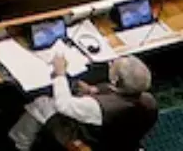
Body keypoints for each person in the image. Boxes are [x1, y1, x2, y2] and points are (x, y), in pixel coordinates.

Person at [10, 54, 156, 151]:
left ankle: (19, 144)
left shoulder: (97, 108)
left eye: (113, 64)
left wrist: (60, 73)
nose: (111, 63)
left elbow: (63, 105)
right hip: (124, 143)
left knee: (43, 103)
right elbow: (120, 96)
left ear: (115, 80)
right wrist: (94, 91)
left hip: (91, 144)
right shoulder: (149, 101)